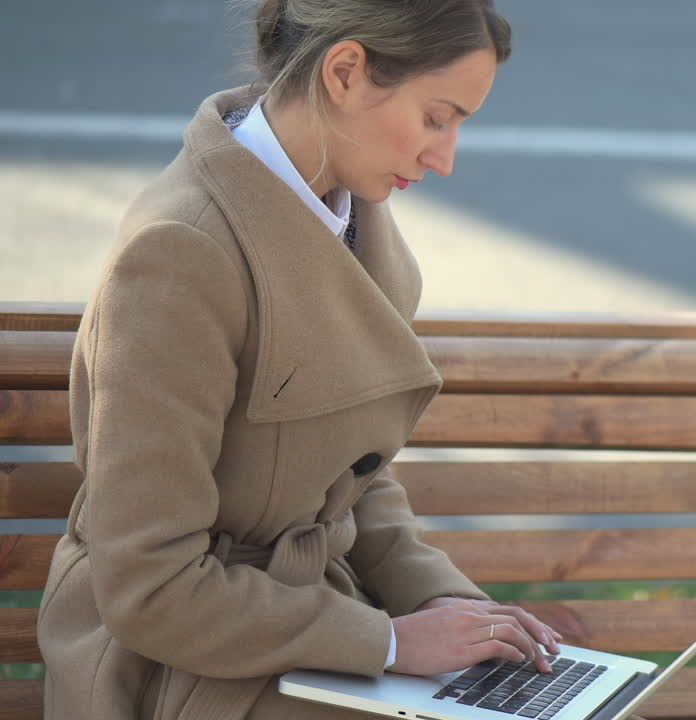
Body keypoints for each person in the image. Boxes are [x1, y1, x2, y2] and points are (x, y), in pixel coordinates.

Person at [35, 2, 624, 718]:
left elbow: (345, 478)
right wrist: (391, 643)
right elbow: (150, 589)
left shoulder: (341, 209)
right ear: (345, 71)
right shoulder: (180, 254)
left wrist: (442, 604)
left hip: (312, 633)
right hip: (183, 671)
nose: (446, 158)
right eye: (438, 118)